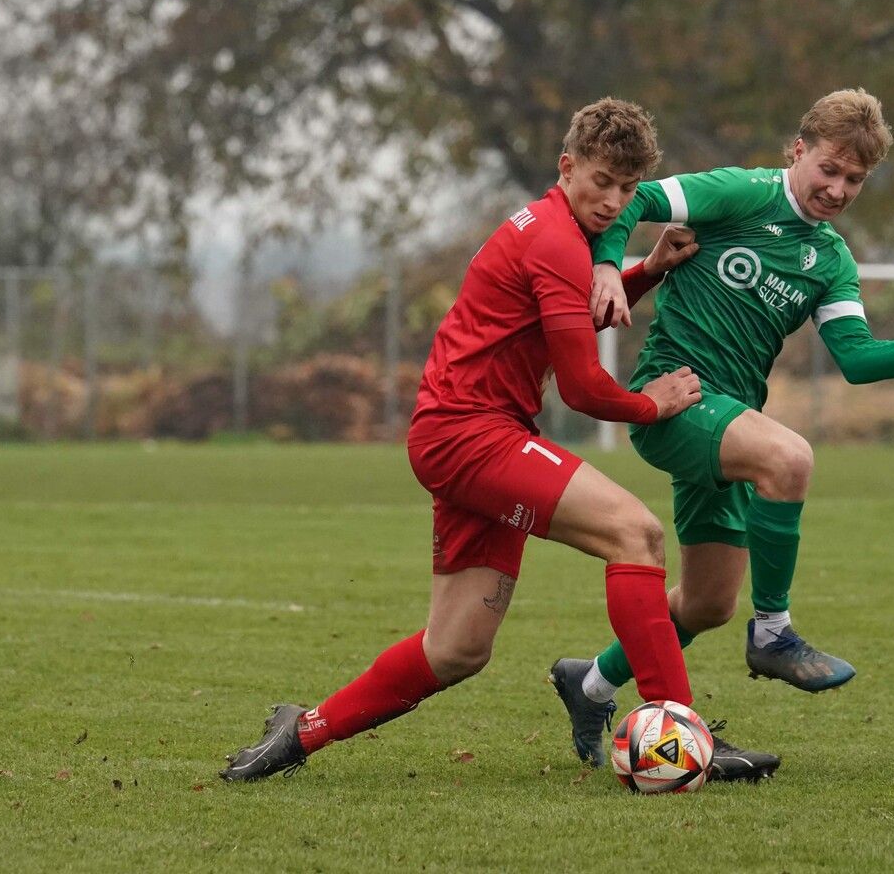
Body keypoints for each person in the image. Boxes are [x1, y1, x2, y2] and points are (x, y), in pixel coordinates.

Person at [220, 97, 705, 782]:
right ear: (567, 168)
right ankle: (681, 734)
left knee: (457, 650)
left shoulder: (548, 231)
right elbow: (584, 389)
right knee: (638, 534)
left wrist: (646, 270)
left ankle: (299, 734)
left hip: (462, 434)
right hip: (473, 435)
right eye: (601, 181)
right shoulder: (557, 242)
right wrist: (651, 404)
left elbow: (564, 310)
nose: (613, 201)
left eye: (628, 190)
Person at [549, 88, 894, 770]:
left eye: (854, 179)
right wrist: (608, 268)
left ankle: (588, 683)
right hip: (676, 401)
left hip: (730, 420)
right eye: (829, 168)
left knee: (705, 604)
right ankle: (774, 633)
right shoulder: (741, 193)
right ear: (799, 150)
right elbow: (640, 199)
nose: (838, 188)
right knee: (789, 459)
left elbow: (856, 359)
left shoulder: (830, 259)